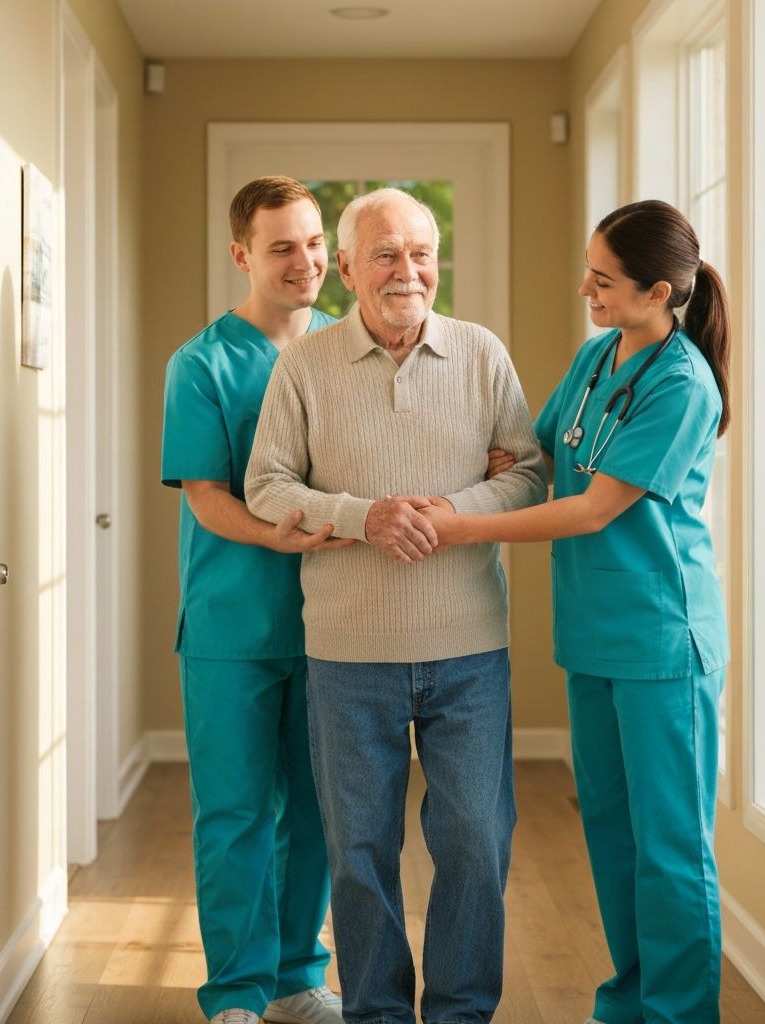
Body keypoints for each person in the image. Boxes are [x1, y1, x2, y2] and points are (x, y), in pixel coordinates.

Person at [422, 199, 731, 1024]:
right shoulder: (598, 359)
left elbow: (593, 508)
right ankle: (628, 1002)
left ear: (659, 291)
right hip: (593, 635)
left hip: (663, 639)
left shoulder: (682, 383)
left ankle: (679, 1013)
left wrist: (460, 527)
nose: (586, 289)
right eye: (588, 269)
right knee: (611, 830)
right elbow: (538, 446)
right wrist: (506, 460)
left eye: (604, 279)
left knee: (670, 848)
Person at [244, 187, 548, 1024]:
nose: (406, 271)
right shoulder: (303, 365)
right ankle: (375, 1013)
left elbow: (527, 471)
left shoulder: (482, 353)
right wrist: (364, 516)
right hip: (346, 653)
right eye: (384, 254)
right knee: (360, 852)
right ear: (345, 268)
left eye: (421, 252)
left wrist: (450, 515)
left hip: (469, 646)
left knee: (476, 844)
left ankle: (459, 1014)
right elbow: (265, 485)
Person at [161, 176, 353, 1024]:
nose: (304, 262)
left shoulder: (350, 352)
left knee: (316, 811)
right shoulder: (200, 364)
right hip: (233, 625)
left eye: (314, 243)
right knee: (237, 813)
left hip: (335, 624)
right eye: (282, 247)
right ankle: (234, 994)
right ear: (242, 255)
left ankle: (295, 977)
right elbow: (203, 493)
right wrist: (274, 537)